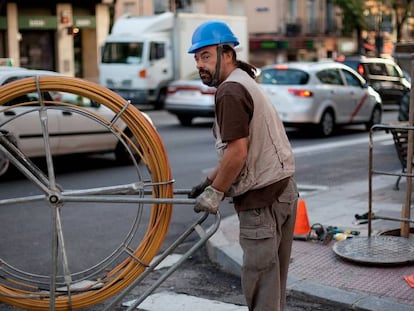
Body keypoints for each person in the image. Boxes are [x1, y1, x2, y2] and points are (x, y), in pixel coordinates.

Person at [187, 20, 299, 311]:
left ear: (227, 53)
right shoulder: (244, 80)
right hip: (284, 189)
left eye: (206, 56)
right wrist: (210, 180)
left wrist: (216, 192)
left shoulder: (229, 91)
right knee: (274, 287)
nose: (200, 64)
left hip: (262, 202)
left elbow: (237, 152)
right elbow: (243, 151)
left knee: (261, 286)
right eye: (197, 57)